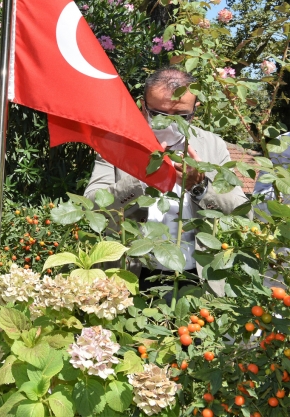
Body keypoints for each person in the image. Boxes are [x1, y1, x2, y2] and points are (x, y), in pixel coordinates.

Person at [84, 66, 247, 291]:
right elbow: (91, 205)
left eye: (181, 116)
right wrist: (142, 180)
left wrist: (199, 187)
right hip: (131, 274)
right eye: (159, 114)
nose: (168, 124)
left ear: (194, 111)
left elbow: (241, 210)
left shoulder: (212, 145)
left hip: (198, 276)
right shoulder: (115, 144)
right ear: (143, 106)